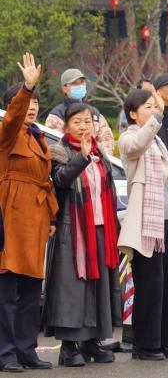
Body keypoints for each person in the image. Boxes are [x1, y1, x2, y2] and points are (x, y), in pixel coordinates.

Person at [43, 103, 121, 367]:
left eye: (88, 121)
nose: (84, 127)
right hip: (71, 229)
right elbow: (61, 180)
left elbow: (109, 192)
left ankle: (92, 341)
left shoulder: (101, 153)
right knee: (72, 289)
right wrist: (82, 157)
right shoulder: (59, 151)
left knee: (98, 286)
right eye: (77, 122)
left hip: (100, 228)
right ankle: (68, 346)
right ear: (66, 126)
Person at [117, 89, 168, 361]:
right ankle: (145, 345)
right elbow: (138, 145)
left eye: (154, 106)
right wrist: (157, 116)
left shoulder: (157, 142)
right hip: (148, 227)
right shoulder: (129, 138)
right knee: (150, 284)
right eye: (147, 107)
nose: (153, 110)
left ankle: (165, 341)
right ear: (133, 114)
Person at [0, 53, 58, 373]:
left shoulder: (38, 136)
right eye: (27, 101)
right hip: (11, 217)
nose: (32, 105)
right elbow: (11, 118)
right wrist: (26, 86)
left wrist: (51, 217)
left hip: (34, 220)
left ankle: (26, 349)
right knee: (7, 291)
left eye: (36, 100)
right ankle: (5, 352)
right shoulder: (7, 134)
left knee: (30, 289)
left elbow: (45, 181)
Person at [45, 68, 115, 155]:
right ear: (64, 88)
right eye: (74, 83)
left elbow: (107, 140)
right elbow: (53, 146)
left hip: (96, 163)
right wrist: (80, 160)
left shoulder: (95, 113)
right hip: (70, 164)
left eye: (82, 82)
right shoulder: (57, 115)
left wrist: (99, 159)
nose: (80, 86)